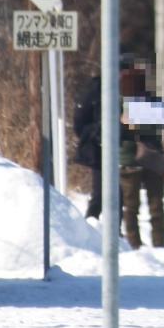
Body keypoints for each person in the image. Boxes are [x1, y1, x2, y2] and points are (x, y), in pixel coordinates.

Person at [115, 57, 164, 249]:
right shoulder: (147, 101)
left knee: (134, 207)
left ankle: (139, 245)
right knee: (149, 206)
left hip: (134, 158)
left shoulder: (121, 102)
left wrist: (132, 120)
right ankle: (151, 245)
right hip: (144, 158)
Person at [73, 71, 104, 219]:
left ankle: (118, 236)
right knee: (100, 195)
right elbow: (79, 120)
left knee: (121, 196)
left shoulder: (134, 88)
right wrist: (93, 134)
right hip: (100, 149)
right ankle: (91, 227)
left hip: (127, 149)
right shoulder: (96, 89)